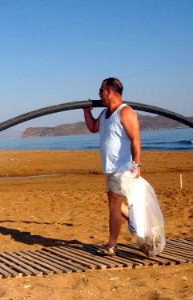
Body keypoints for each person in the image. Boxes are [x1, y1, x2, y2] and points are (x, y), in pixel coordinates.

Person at [83, 77, 141, 256]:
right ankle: (137, 222)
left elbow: (136, 140)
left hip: (123, 167)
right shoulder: (105, 114)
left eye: (100, 91)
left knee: (114, 205)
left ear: (108, 92)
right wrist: (86, 111)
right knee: (114, 204)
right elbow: (93, 128)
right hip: (110, 168)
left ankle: (111, 245)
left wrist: (137, 165)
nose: (99, 94)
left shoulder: (125, 112)